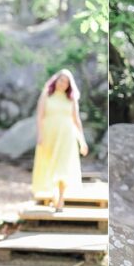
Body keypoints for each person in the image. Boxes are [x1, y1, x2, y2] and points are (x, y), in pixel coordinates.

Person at [31, 69, 89, 211]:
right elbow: (39, 116)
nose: (62, 83)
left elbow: (76, 120)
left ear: (69, 85)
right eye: (61, 80)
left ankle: (61, 200)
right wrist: (39, 135)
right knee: (50, 165)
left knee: (63, 167)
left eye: (66, 82)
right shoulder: (46, 95)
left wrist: (82, 141)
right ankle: (54, 195)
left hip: (66, 136)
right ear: (56, 80)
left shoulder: (71, 98)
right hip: (49, 134)